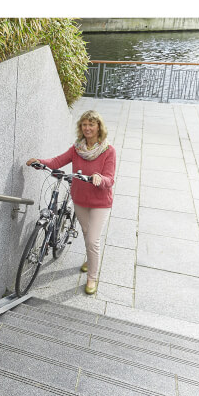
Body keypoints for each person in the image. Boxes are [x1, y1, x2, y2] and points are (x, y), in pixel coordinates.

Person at [26, 110, 116, 295]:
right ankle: (91, 259)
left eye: (91, 124)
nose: (87, 128)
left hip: (100, 202)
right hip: (80, 199)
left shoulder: (109, 151)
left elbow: (110, 179)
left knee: (93, 240)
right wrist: (40, 162)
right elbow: (58, 161)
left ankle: (92, 277)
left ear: (99, 127)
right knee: (86, 233)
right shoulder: (77, 148)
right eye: (84, 124)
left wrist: (100, 178)